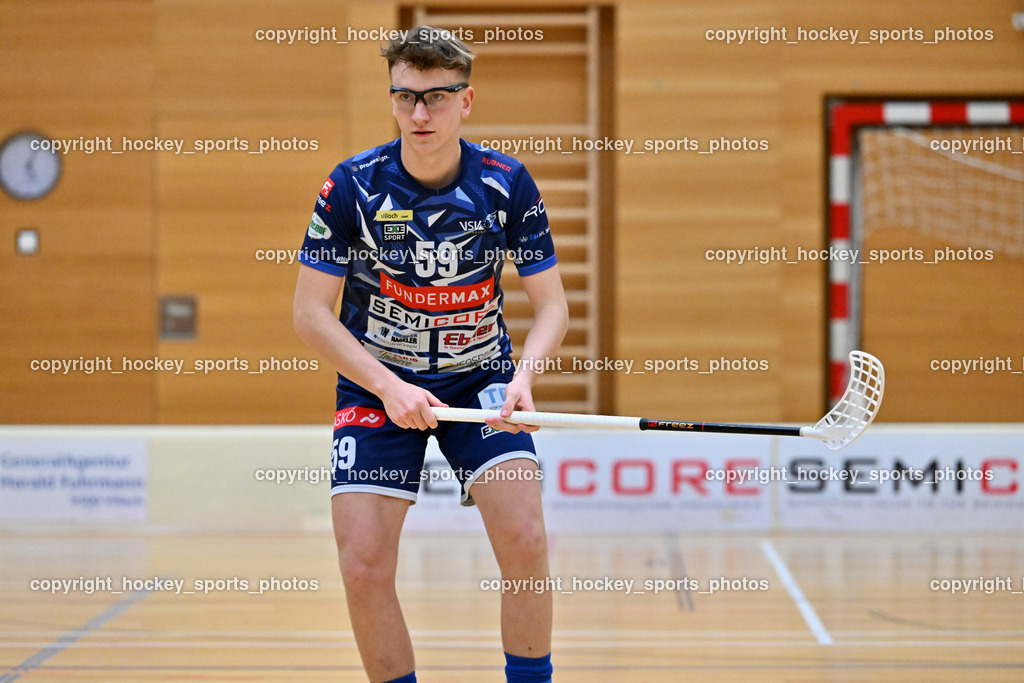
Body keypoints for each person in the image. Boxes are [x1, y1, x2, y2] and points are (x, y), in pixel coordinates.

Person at [292, 26, 567, 683]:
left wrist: (524, 380)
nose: (420, 113)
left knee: (526, 541)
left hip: (481, 382)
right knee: (361, 562)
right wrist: (387, 386)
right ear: (391, 99)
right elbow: (309, 314)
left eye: (437, 97)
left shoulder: (506, 184)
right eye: (406, 97)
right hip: (376, 386)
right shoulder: (351, 186)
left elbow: (553, 305)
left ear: (465, 101)